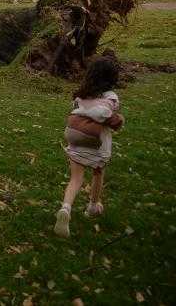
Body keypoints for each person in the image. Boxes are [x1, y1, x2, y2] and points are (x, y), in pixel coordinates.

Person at [54, 57, 124, 238]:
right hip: (97, 142)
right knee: (98, 172)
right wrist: (118, 120)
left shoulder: (81, 93)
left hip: (75, 138)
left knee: (75, 179)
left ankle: (66, 208)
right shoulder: (111, 97)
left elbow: (76, 108)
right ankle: (93, 206)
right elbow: (110, 116)